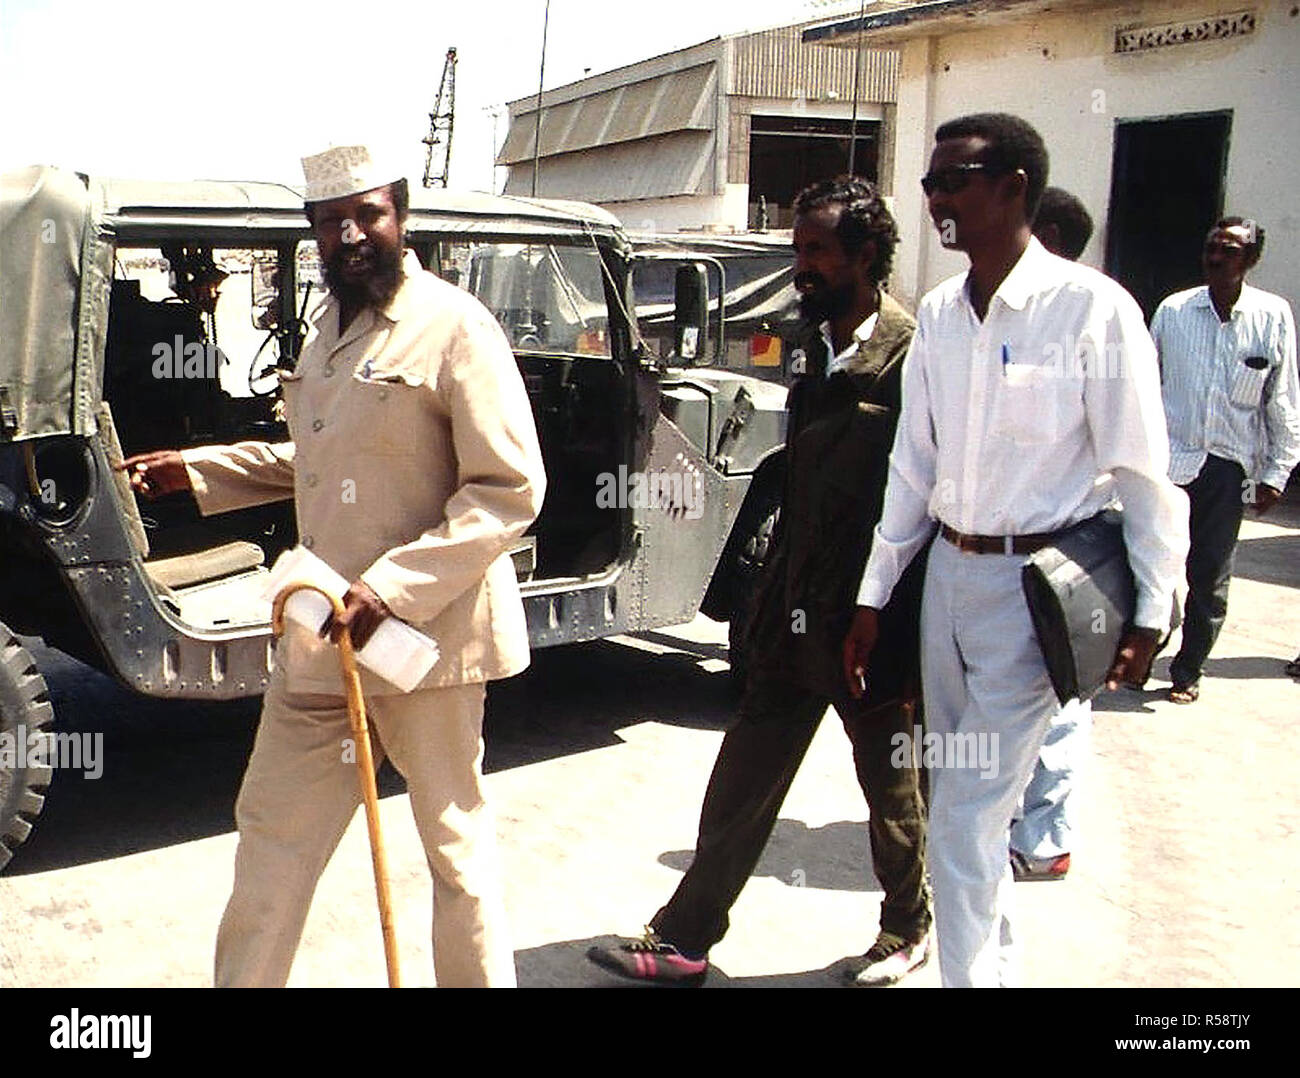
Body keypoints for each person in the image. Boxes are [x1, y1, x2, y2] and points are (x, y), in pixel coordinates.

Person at [122, 144, 546, 987]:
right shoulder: (328, 334)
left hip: (430, 647)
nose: (349, 235)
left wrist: (390, 588)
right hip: (324, 643)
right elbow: (313, 457)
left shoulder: (457, 327)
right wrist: (202, 470)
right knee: (272, 834)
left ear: (400, 216)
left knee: (454, 854)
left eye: (366, 215)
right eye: (329, 223)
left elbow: (508, 489)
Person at [842, 114, 1188, 987]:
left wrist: (1154, 607)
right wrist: (874, 596)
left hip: (1036, 591)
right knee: (968, 816)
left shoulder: (1093, 309)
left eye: (952, 179)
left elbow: (1142, 472)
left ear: (1013, 189)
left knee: (961, 821)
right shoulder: (940, 315)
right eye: (928, 183)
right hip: (949, 584)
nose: (934, 198)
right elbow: (912, 475)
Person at [587, 178, 932, 987]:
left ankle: (908, 928)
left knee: (890, 783)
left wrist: (886, 611)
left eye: (817, 251)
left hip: (871, 615)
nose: (801, 267)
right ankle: (686, 937)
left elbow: (923, 498)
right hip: (792, 609)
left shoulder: (913, 356)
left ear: (867, 255)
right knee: (743, 775)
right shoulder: (813, 346)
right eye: (797, 250)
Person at [1152, 217, 1300, 704]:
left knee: (1210, 573)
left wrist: (1277, 471)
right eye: (1212, 247)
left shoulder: (1272, 315)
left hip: (1227, 467)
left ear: (1250, 260)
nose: (1218, 257)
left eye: (1231, 249)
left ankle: (1188, 669)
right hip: (1170, 461)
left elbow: (1282, 399)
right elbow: (1144, 389)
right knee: (1148, 564)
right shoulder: (1174, 311)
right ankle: (1139, 648)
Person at [1009, 185, 1097, 884]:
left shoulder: (1092, 318)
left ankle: (1046, 843)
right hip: (1007, 549)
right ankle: (1022, 822)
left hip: (1068, 546)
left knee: (1061, 703)